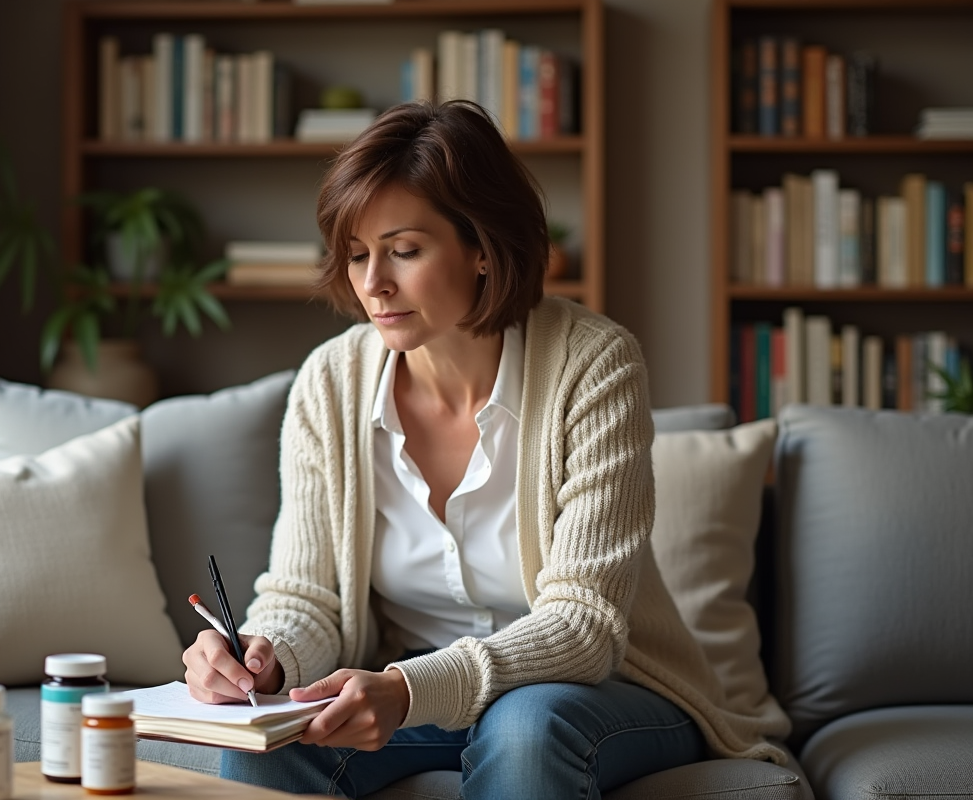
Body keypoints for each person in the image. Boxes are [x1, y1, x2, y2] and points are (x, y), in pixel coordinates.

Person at [181, 100, 790, 799]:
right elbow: (307, 595)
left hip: (597, 693)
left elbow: (584, 624)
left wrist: (410, 689)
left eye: (404, 251)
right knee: (269, 744)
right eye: (356, 255)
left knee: (524, 728)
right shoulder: (329, 382)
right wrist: (266, 659)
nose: (373, 282)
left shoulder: (594, 364)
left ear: (481, 245)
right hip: (408, 685)